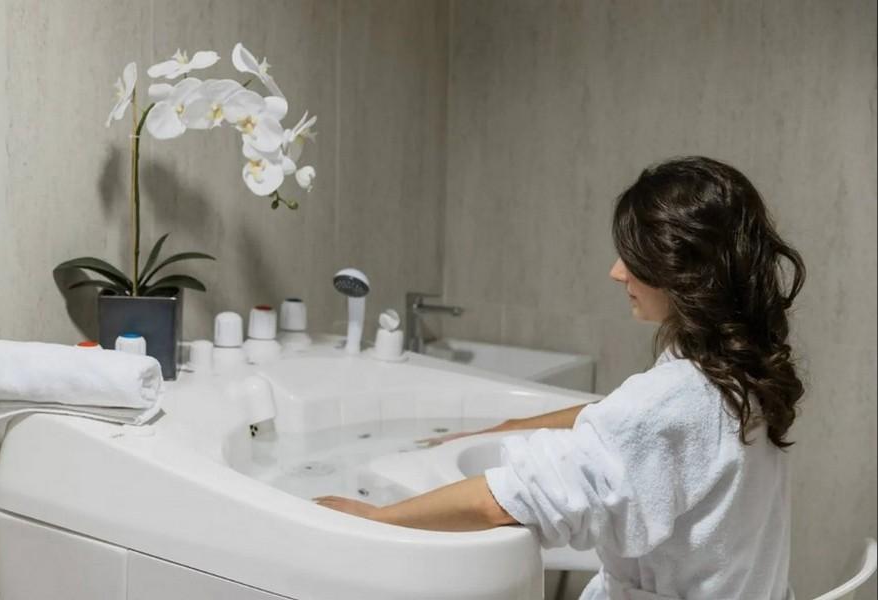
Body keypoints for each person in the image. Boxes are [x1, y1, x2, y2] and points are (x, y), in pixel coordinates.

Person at [315, 156, 805, 600]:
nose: (617, 272)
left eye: (633, 257)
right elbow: (621, 418)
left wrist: (378, 519)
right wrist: (509, 427)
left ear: (682, 270)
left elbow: (505, 502)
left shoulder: (676, 399)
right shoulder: (739, 367)